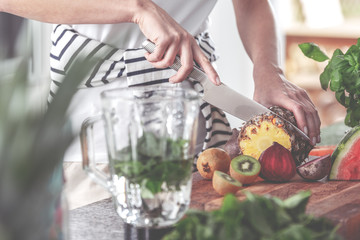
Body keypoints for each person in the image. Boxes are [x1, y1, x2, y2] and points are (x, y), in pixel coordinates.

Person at [1, 0, 321, 208]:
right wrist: (138, 8)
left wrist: (267, 69)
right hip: (96, 154)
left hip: (195, 150)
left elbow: (251, 3)